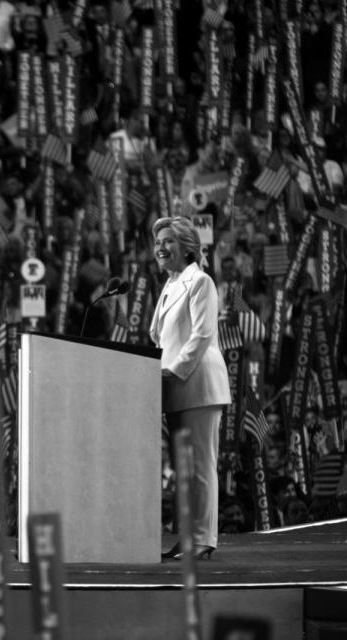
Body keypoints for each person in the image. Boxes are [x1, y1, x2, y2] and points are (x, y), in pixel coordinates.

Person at [149, 216, 231, 560]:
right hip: (176, 387)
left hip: (198, 383)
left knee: (200, 466)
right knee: (185, 471)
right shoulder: (170, 284)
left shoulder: (201, 282)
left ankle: (203, 539)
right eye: (157, 243)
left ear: (187, 246)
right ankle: (188, 536)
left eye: (167, 241)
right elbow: (158, 337)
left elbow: (202, 335)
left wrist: (173, 371)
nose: (160, 248)